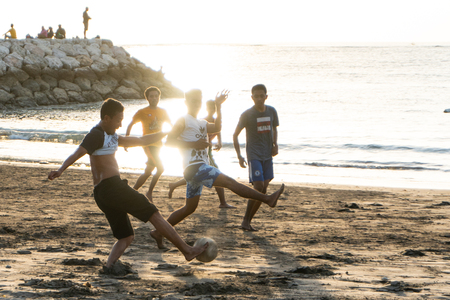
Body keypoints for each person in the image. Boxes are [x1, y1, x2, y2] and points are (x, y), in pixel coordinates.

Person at [47, 98, 208, 268]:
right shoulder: (96, 135)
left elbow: (141, 141)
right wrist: (61, 170)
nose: (120, 124)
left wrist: (167, 133)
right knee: (153, 213)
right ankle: (187, 251)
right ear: (107, 118)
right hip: (112, 187)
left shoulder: (112, 136)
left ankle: (109, 266)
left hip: (102, 194)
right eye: (118, 120)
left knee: (126, 236)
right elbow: (77, 152)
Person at [150, 89, 284, 249]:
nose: (197, 104)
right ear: (186, 103)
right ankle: (267, 199)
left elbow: (217, 128)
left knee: (189, 208)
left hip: (197, 169)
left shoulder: (201, 122)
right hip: (195, 167)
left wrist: (218, 107)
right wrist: (194, 144)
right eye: (193, 101)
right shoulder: (183, 120)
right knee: (228, 182)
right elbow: (169, 142)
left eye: (199, 101)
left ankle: (158, 232)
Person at [168, 100, 235, 208]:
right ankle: (223, 202)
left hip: (207, 152)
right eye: (210, 108)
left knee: (196, 176)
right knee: (215, 173)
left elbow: (218, 130)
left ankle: (174, 185)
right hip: (200, 152)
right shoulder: (202, 121)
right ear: (207, 108)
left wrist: (219, 142)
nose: (212, 110)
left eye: (214, 108)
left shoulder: (214, 120)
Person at [233, 84, 280, 231]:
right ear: (252, 97)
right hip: (254, 155)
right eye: (256, 96)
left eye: (262, 96)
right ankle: (246, 220)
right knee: (258, 187)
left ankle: (247, 221)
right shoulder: (247, 114)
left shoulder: (272, 111)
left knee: (263, 190)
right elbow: (235, 135)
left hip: (267, 155)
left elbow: (274, 128)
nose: (259, 99)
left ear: (266, 96)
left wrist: (275, 144)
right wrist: (239, 156)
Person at [125, 87, 172, 201]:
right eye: (152, 96)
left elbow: (171, 125)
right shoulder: (142, 112)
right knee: (160, 168)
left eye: (156, 96)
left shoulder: (163, 112)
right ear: (147, 98)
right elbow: (130, 124)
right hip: (148, 144)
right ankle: (149, 193)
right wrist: (126, 141)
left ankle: (132, 191)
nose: (154, 98)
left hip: (159, 145)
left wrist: (175, 137)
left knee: (148, 171)